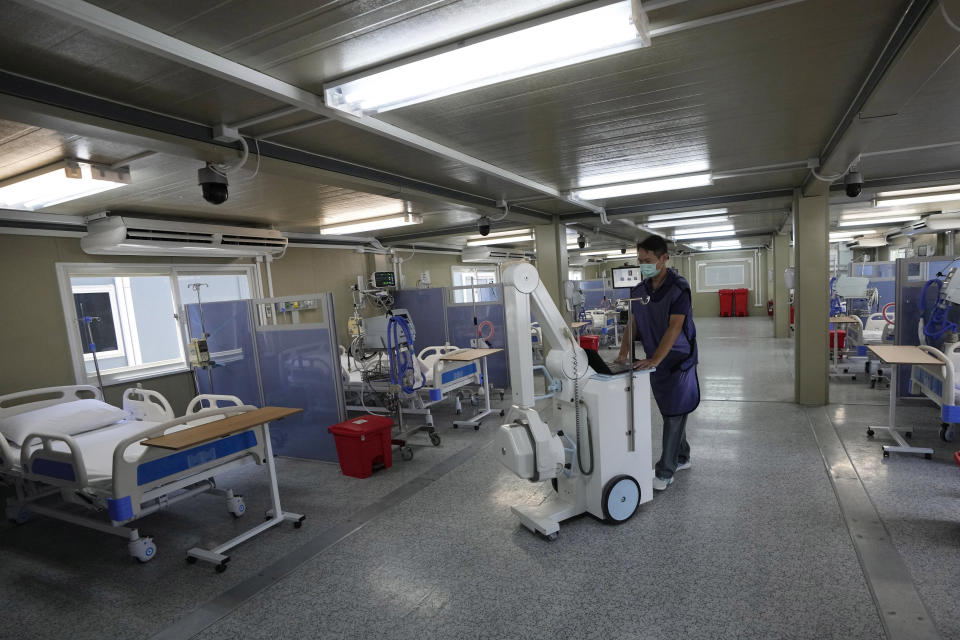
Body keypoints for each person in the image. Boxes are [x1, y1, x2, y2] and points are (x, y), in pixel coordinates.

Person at [615, 234, 699, 491]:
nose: (643, 266)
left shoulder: (678, 288)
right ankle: (682, 456)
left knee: (674, 413)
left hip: (678, 360)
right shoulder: (639, 291)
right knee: (671, 409)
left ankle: (665, 471)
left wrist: (655, 359)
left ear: (664, 258)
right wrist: (623, 353)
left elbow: (675, 328)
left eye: (648, 260)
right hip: (657, 361)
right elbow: (634, 322)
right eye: (640, 261)